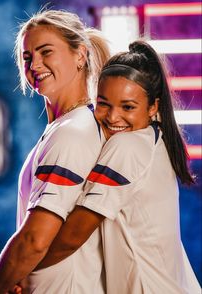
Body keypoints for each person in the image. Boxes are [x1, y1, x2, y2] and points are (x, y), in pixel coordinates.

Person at [37, 41, 201, 293]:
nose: (113, 117)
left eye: (128, 107)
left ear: (153, 106)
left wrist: (22, 272)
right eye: (103, 104)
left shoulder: (128, 146)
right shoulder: (154, 139)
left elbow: (72, 237)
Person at [0, 9, 110, 294]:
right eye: (27, 57)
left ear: (80, 55)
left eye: (45, 52)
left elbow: (34, 240)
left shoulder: (72, 133)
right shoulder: (68, 127)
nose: (35, 64)